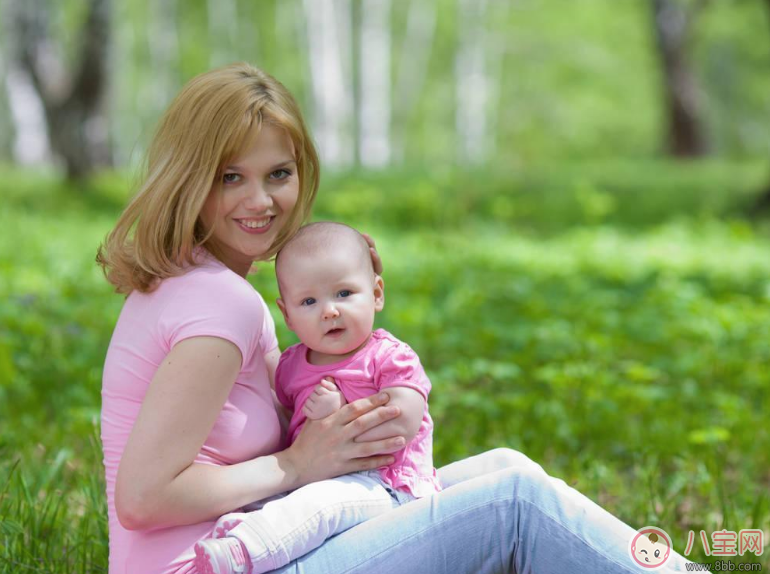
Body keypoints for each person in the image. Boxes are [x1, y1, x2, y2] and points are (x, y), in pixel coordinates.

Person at [98, 62, 702, 574]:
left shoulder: (200, 283)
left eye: (278, 174)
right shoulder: (217, 304)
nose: (262, 201)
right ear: (191, 177)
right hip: (212, 562)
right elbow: (145, 499)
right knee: (513, 503)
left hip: (268, 539)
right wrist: (294, 464)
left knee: (507, 468)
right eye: (232, 178)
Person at [193, 222, 441, 573]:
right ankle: (248, 531)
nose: (329, 310)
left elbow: (402, 423)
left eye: (343, 294)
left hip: (384, 484)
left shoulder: (387, 356)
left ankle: (244, 553)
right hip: (318, 476)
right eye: (309, 301)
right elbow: (288, 422)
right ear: (287, 314)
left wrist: (335, 413)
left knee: (321, 505)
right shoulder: (292, 366)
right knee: (289, 500)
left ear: (377, 294)